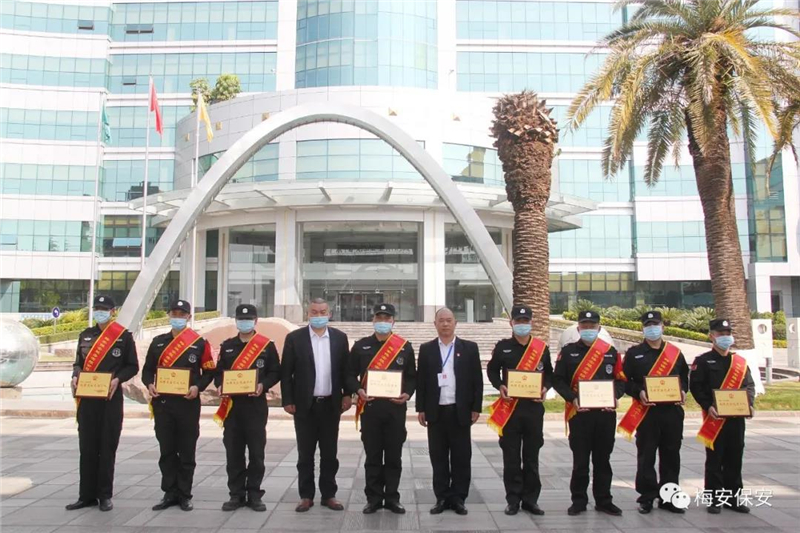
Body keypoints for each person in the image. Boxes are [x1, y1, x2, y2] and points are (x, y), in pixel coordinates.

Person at [142, 299, 216, 512]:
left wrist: (197, 387)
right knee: (166, 450)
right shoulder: (158, 342)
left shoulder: (199, 343)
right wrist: (149, 384)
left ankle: (184, 494)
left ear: (189, 317)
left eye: (182, 314)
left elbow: (209, 371)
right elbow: (147, 370)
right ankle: (169, 492)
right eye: (174, 314)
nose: (178, 317)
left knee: (186, 451)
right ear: (169, 315)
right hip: (163, 404)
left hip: (187, 404)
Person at [281, 298, 353, 513]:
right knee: (305, 454)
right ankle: (306, 495)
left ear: (329, 314)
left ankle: (329, 494)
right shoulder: (295, 338)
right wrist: (288, 400)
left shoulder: (339, 338)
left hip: (331, 404)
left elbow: (346, 370)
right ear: (308, 314)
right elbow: (286, 373)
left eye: (322, 312)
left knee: (330, 453)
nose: (318, 315)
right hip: (305, 405)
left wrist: (347, 395)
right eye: (314, 312)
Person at [67, 295, 138, 512]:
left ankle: (105, 495)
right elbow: (78, 363)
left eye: (104, 309)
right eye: (97, 308)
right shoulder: (85, 335)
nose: (100, 312)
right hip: (88, 400)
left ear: (112, 311)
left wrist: (118, 379)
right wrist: (75, 376)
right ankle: (86, 496)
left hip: (110, 400)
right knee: (87, 448)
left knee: (107, 448)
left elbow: (132, 366)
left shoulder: (123, 337)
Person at [552, 310, 625, 517]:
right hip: (580, 415)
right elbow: (558, 380)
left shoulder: (610, 352)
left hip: (605, 415)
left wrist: (615, 396)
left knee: (603, 460)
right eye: (584, 326)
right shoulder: (568, 352)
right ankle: (578, 501)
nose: (588, 329)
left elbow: (621, 380)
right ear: (578, 328)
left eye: (592, 326)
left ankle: (604, 500)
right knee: (581, 461)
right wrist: (572, 398)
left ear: (599, 328)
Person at [348, 303, 416, 515]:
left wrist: (407, 393)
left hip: (395, 411)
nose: (383, 322)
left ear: (393, 321)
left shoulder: (404, 347)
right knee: (373, 457)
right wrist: (358, 390)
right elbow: (348, 374)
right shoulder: (361, 346)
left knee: (394, 457)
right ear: (373, 320)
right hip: (371, 409)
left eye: (387, 318)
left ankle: (392, 498)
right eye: (380, 318)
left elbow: (412, 377)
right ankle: (374, 499)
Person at [619, 311, 689, 514]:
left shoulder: (675, 353)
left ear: (662, 327)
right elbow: (625, 381)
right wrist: (638, 391)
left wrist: (683, 391)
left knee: (671, 455)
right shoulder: (634, 353)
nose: (652, 328)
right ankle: (647, 497)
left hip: (672, 412)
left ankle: (669, 498)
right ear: (643, 328)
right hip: (646, 412)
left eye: (655, 324)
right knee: (646, 455)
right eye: (648, 325)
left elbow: (684, 377)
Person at [486, 305, 552, 516]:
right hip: (510, 410)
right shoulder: (503, 347)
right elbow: (492, 370)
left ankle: (531, 500)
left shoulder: (541, 348)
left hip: (533, 410)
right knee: (511, 458)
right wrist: (500, 386)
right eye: (518, 321)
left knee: (532, 458)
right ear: (511, 323)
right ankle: (513, 500)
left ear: (531, 322)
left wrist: (545, 388)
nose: (522, 324)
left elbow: (550, 374)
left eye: (525, 321)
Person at [416, 307, 483, 515]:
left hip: (460, 410)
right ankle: (442, 497)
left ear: (455, 323)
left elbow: (477, 380)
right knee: (438, 457)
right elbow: (421, 380)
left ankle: (458, 498)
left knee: (461, 457)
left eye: (449, 320)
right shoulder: (427, 349)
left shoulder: (469, 348)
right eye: (441, 320)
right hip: (436, 411)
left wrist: (476, 407)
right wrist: (421, 408)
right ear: (435, 324)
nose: (445, 324)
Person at [214, 304, 280, 512]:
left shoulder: (266, 346)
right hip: (232, 407)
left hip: (255, 406)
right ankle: (236, 494)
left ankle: (254, 494)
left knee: (256, 453)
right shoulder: (227, 346)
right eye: (241, 319)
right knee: (233, 452)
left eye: (249, 319)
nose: (245, 322)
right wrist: (220, 385)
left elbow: (275, 372)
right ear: (236, 321)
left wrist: (263, 385)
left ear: (256, 321)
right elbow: (219, 372)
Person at [690, 318, 755, 514]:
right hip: (715, 418)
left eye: (728, 334)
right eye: (721, 334)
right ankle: (714, 499)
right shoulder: (703, 361)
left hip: (736, 418)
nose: (725, 337)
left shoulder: (739, 362)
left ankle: (733, 498)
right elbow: (697, 387)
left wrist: (749, 404)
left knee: (735, 458)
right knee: (715, 460)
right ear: (712, 336)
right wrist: (707, 405)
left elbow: (749, 386)